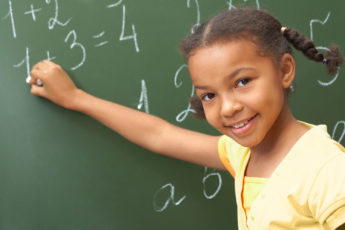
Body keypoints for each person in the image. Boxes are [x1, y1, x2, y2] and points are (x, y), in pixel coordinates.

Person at [29, 7, 345, 230]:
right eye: (209, 95)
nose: (227, 108)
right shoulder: (243, 154)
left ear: (284, 71)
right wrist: (76, 99)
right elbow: (160, 135)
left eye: (242, 82)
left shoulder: (325, 171)